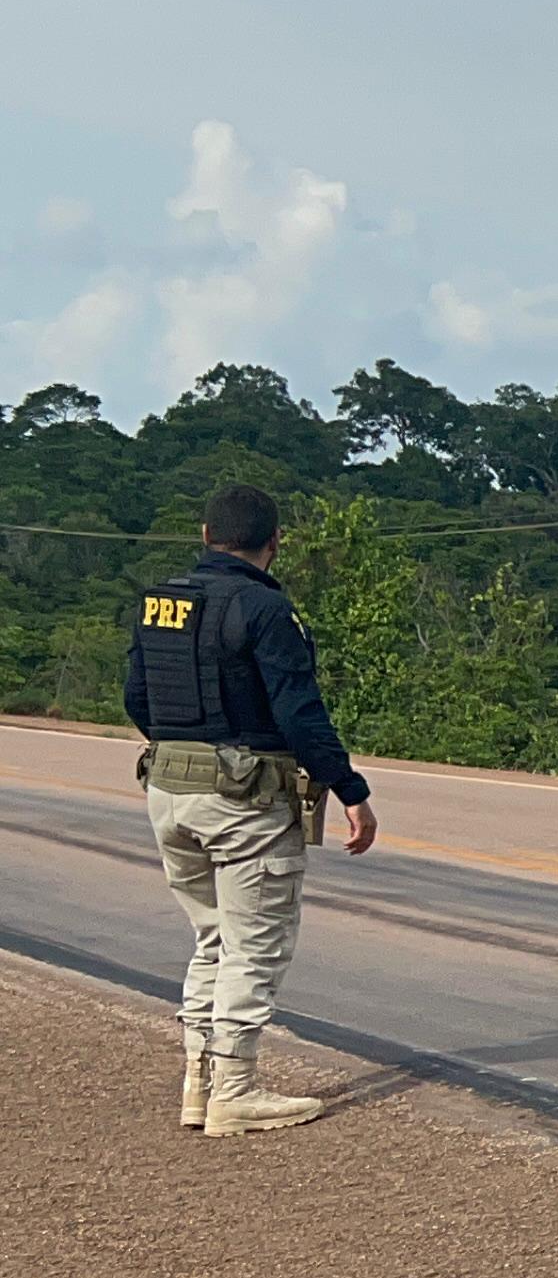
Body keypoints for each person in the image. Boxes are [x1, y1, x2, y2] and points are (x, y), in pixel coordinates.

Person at [124, 484, 379, 1136]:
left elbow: (136, 698)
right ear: (275, 543)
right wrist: (350, 789)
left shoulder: (161, 603)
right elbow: (299, 714)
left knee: (212, 938)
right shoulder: (266, 609)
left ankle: (198, 1084)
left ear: (205, 535)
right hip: (243, 799)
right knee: (253, 946)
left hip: (168, 790)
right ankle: (234, 1090)